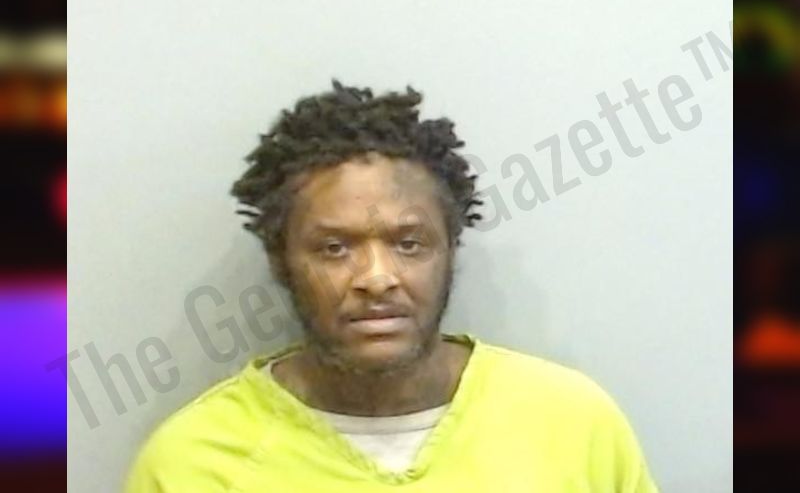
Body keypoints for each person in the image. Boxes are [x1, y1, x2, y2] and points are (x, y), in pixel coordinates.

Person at [125, 81, 659, 492]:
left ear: (450, 250)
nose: (377, 278)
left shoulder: (574, 425)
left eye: (409, 243)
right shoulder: (192, 464)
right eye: (334, 248)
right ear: (281, 262)